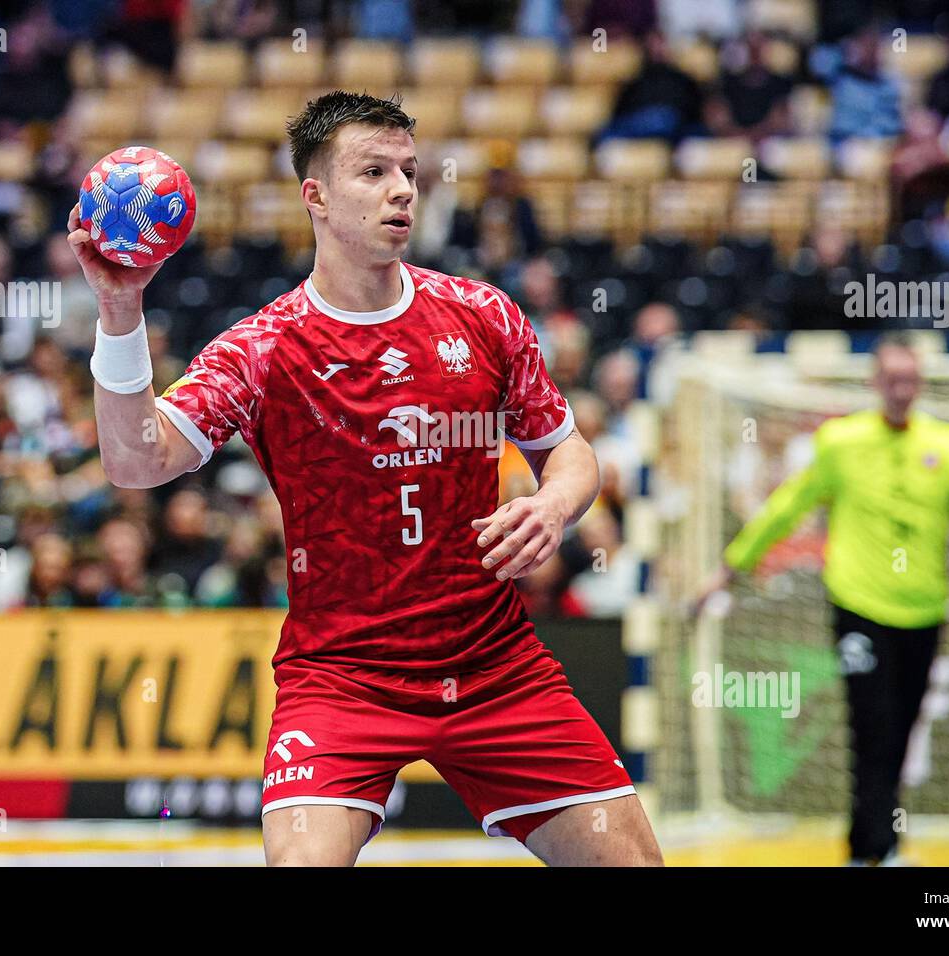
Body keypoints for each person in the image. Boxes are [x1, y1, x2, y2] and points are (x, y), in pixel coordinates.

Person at [66, 91, 662, 867]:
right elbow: (135, 460)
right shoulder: (265, 349)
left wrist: (554, 503)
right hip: (341, 678)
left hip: (494, 665)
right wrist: (120, 310)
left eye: (409, 171)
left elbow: (571, 451)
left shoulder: (482, 316)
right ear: (314, 196)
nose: (403, 188)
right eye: (373, 171)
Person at [696, 333, 949, 865]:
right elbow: (787, 506)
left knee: (903, 729)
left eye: (910, 379)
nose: (901, 389)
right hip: (859, 605)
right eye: (892, 379)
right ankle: (880, 850)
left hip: (925, 608)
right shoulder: (842, 442)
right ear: (874, 381)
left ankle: (866, 846)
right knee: (874, 725)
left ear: (921, 382)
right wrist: (731, 565)